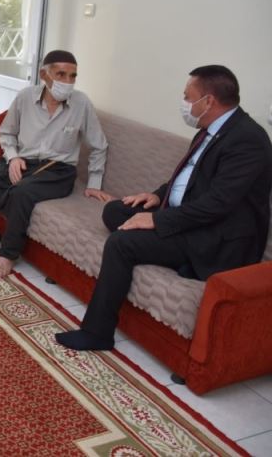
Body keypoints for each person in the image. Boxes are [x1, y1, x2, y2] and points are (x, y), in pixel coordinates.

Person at [56, 65, 272, 351]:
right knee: (115, 211)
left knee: (121, 243)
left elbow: (218, 204)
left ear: (208, 101)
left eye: (187, 97)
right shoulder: (210, 129)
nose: (184, 103)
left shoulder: (249, 140)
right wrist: (157, 197)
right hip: (189, 217)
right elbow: (188, 178)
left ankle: (97, 333)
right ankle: (173, 255)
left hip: (214, 236)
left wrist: (157, 221)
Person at [0, 50, 110, 280]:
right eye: (61, 74)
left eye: (73, 76)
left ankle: (8, 254)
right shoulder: (25, 97)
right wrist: (13, 158)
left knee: (20, 192)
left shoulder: (81, 103)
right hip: (23, 160)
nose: (68, 82)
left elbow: (100, 145)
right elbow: (6, 133)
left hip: (58, 170)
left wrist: (94, 183)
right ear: (44, 74)